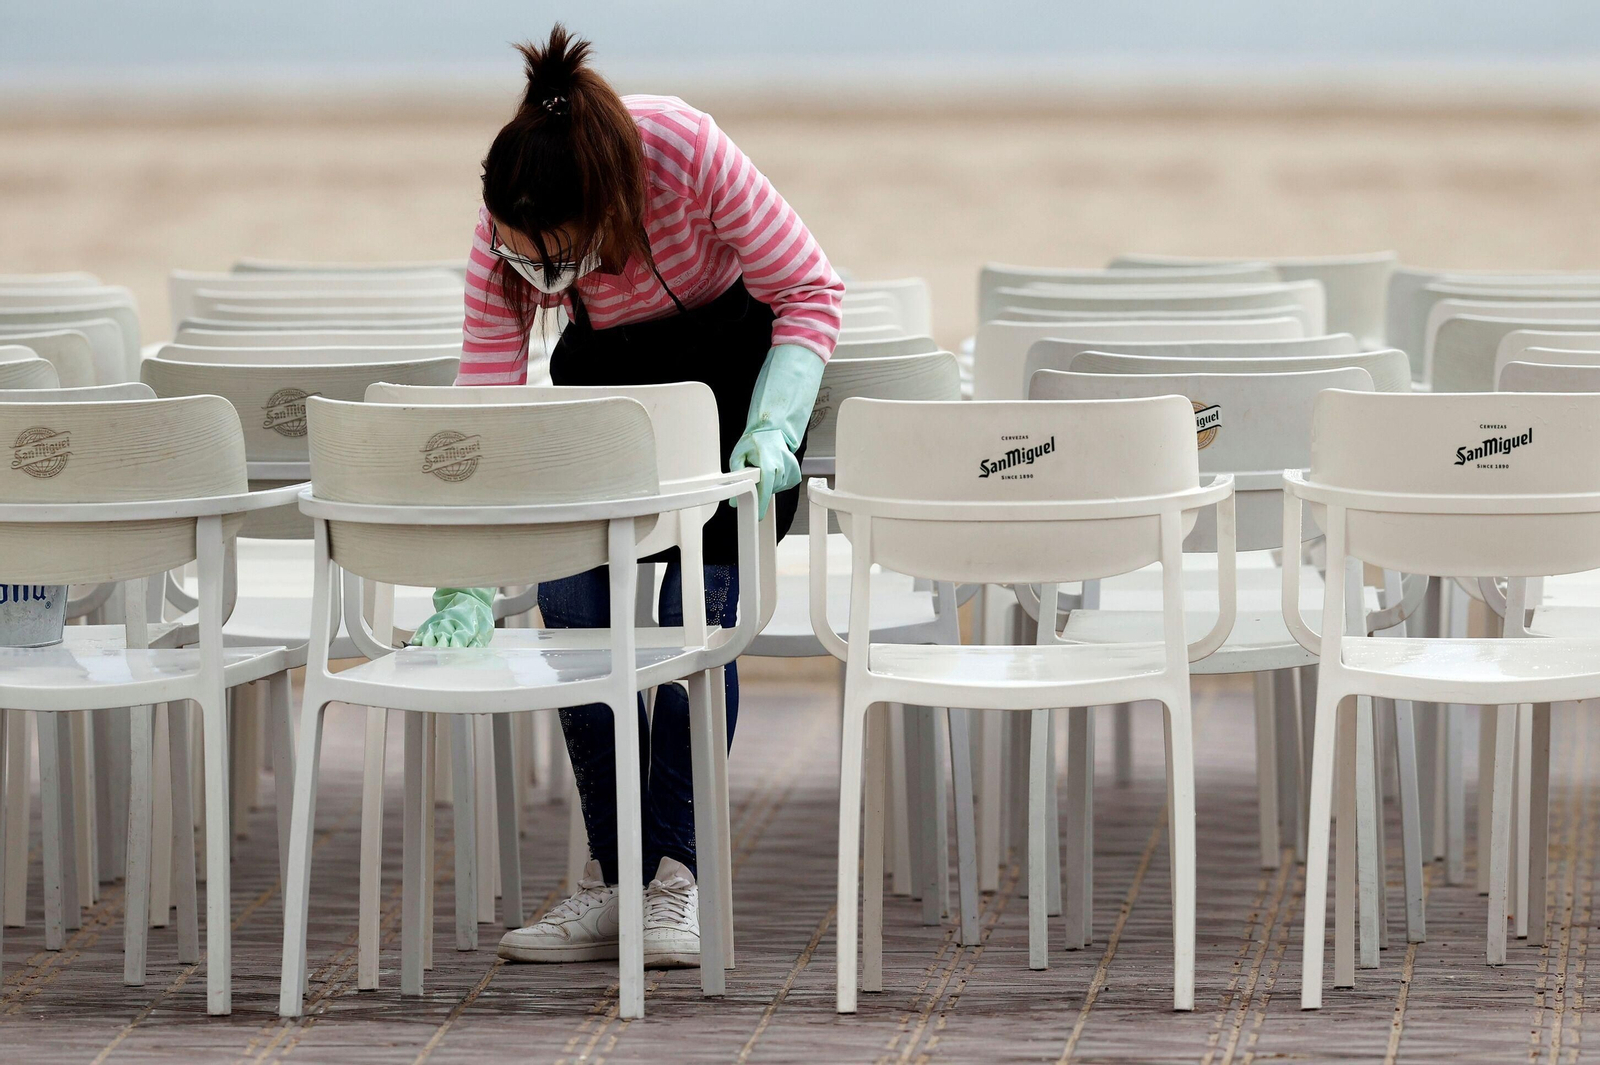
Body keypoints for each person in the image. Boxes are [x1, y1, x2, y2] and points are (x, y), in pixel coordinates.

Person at [410, 25, 843, 969]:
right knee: (572, 618)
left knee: (698, 621)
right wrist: (469, 576)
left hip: (732, 389)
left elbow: (809, 290)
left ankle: (676, 880)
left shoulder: (685, 150)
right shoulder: (507, 226)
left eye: (552, 262)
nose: (535, 277)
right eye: (520, 260)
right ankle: (616, 875)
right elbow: (488, 393)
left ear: (606, 205)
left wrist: (774, 423)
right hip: (603, 391)